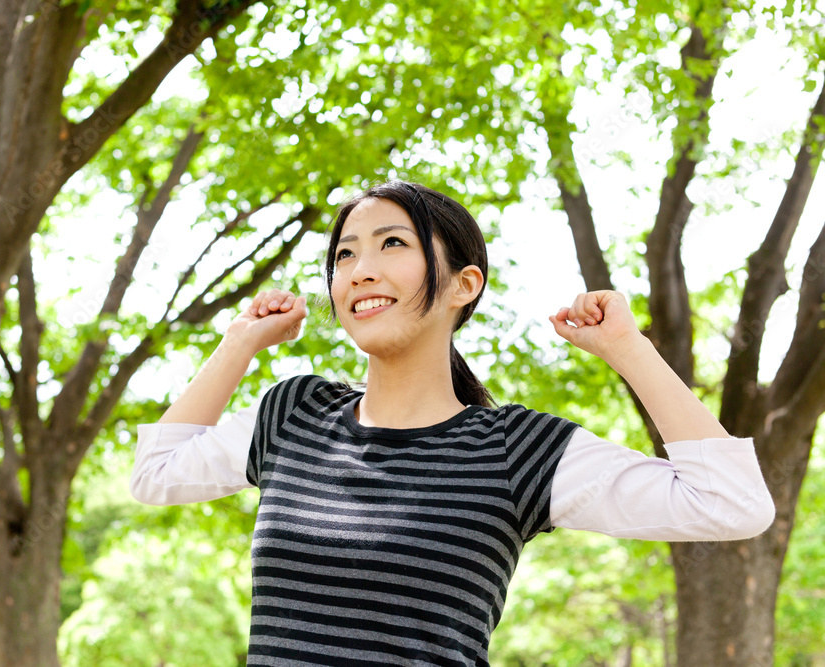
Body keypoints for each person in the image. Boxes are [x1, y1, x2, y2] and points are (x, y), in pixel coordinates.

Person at [129, 180, 775, 666]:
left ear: (464, 284)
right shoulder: (294, 414)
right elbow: (154, 474)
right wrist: (238, 342)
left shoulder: (515, 450)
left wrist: (630, 349)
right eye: (345, 254)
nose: (360, 270)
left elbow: (732, 503)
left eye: (392, 244)